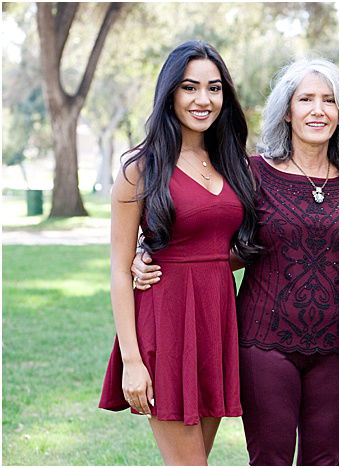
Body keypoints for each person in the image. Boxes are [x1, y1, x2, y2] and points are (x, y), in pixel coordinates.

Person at [132, 57, 339, 465]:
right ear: (287, 111)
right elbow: (212, 237)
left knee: (326, 459)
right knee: (269, 458)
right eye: (306, 99)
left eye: (329, 100)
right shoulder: (250, 172)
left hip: (338, 345)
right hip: (263, 341)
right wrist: (146, 253)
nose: (318, 110)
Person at [98, 41, 260, 465]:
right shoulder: (140, 168)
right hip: (165, 328)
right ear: (170, 92)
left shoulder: (232, 162)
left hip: (216, 327)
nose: (203, 99)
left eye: (214, 88)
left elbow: (238, 249)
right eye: (190, 87)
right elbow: (118, 270)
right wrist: (132, 362)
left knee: (193, 460)